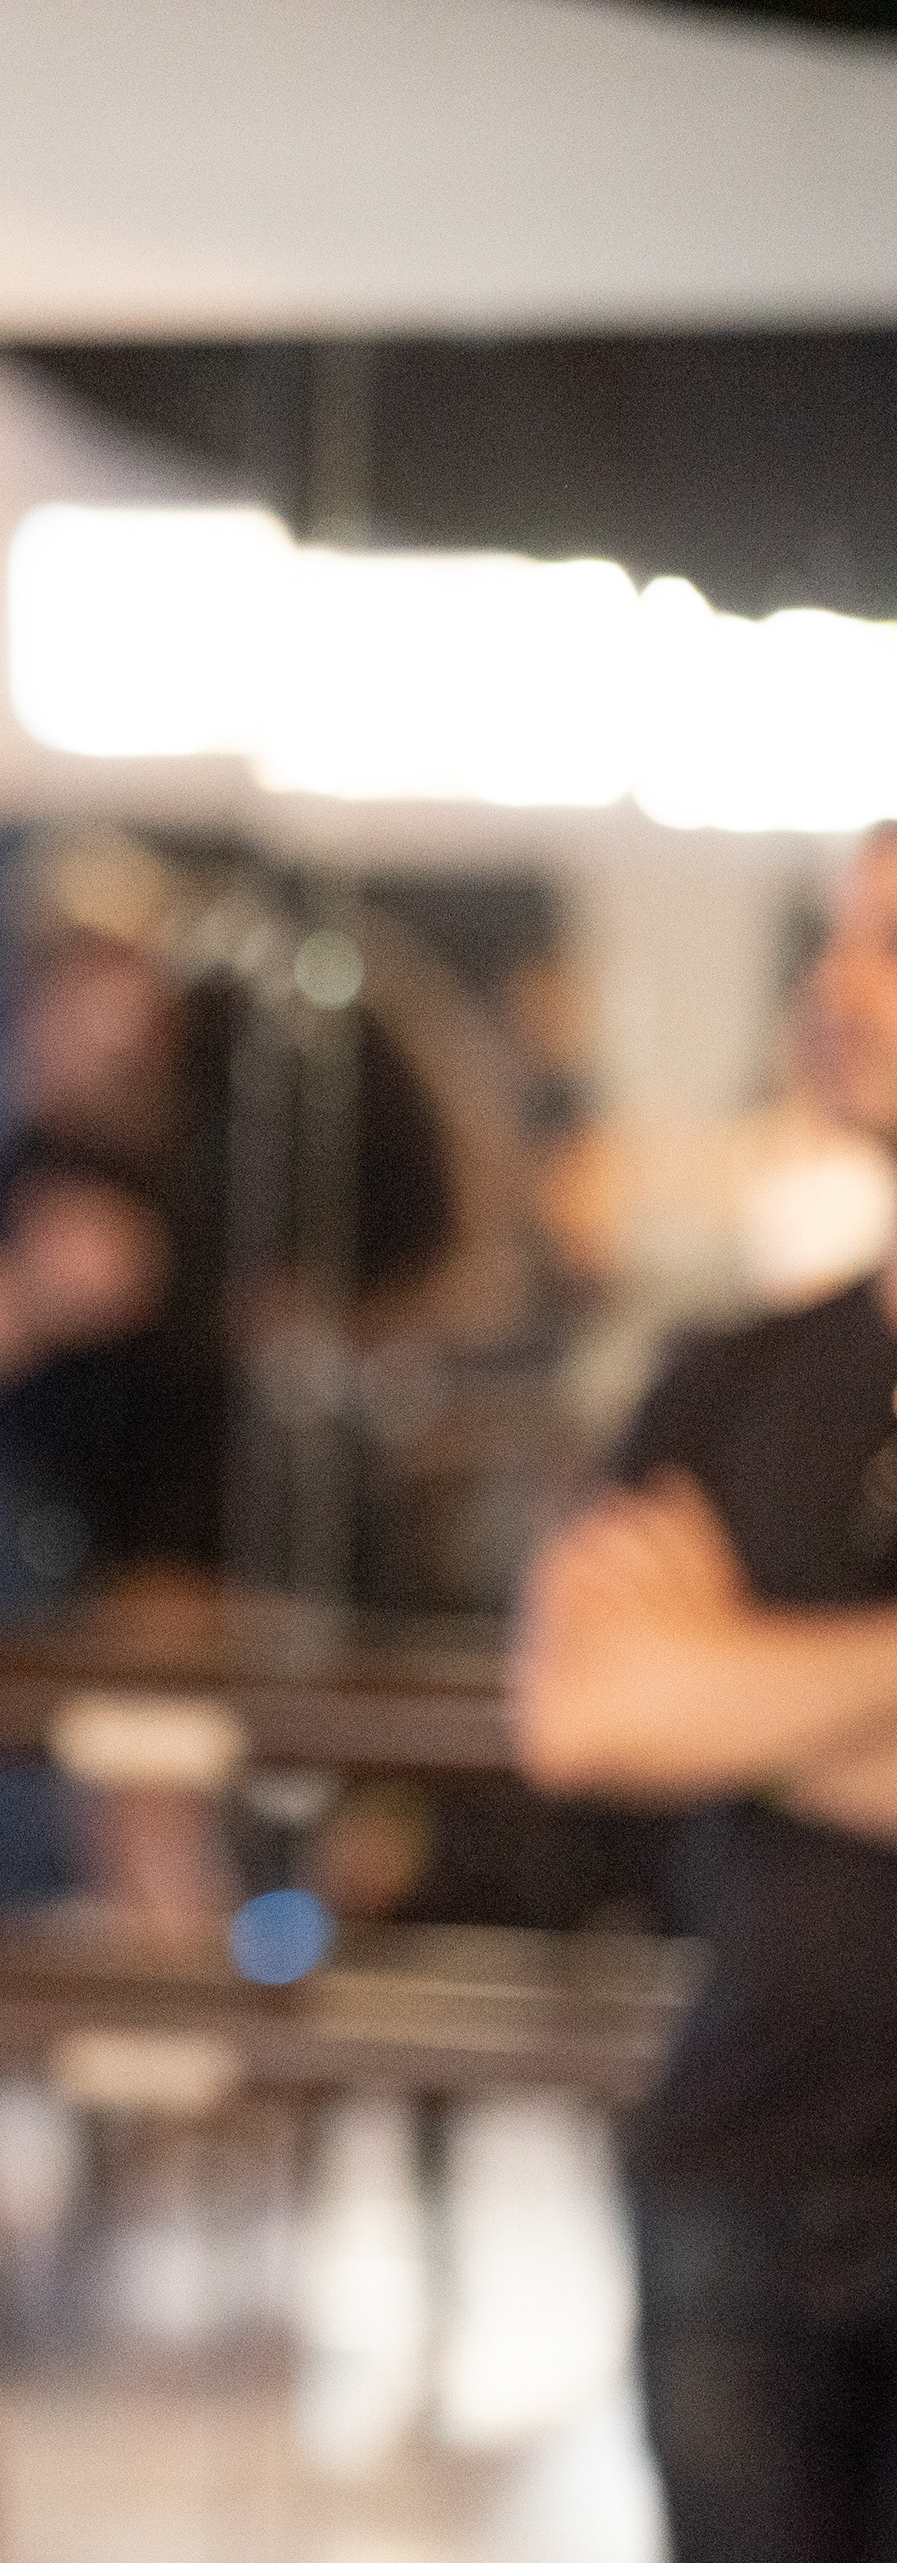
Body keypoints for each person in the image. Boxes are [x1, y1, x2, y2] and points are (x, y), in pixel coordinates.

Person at [514, 819, 897, 2563]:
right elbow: (582, 1710)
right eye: (837, 941)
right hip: (747, 2167)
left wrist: (736, 1688)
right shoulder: (737, 1382)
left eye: (889, 946)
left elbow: (669, 1704)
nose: (840, 990)